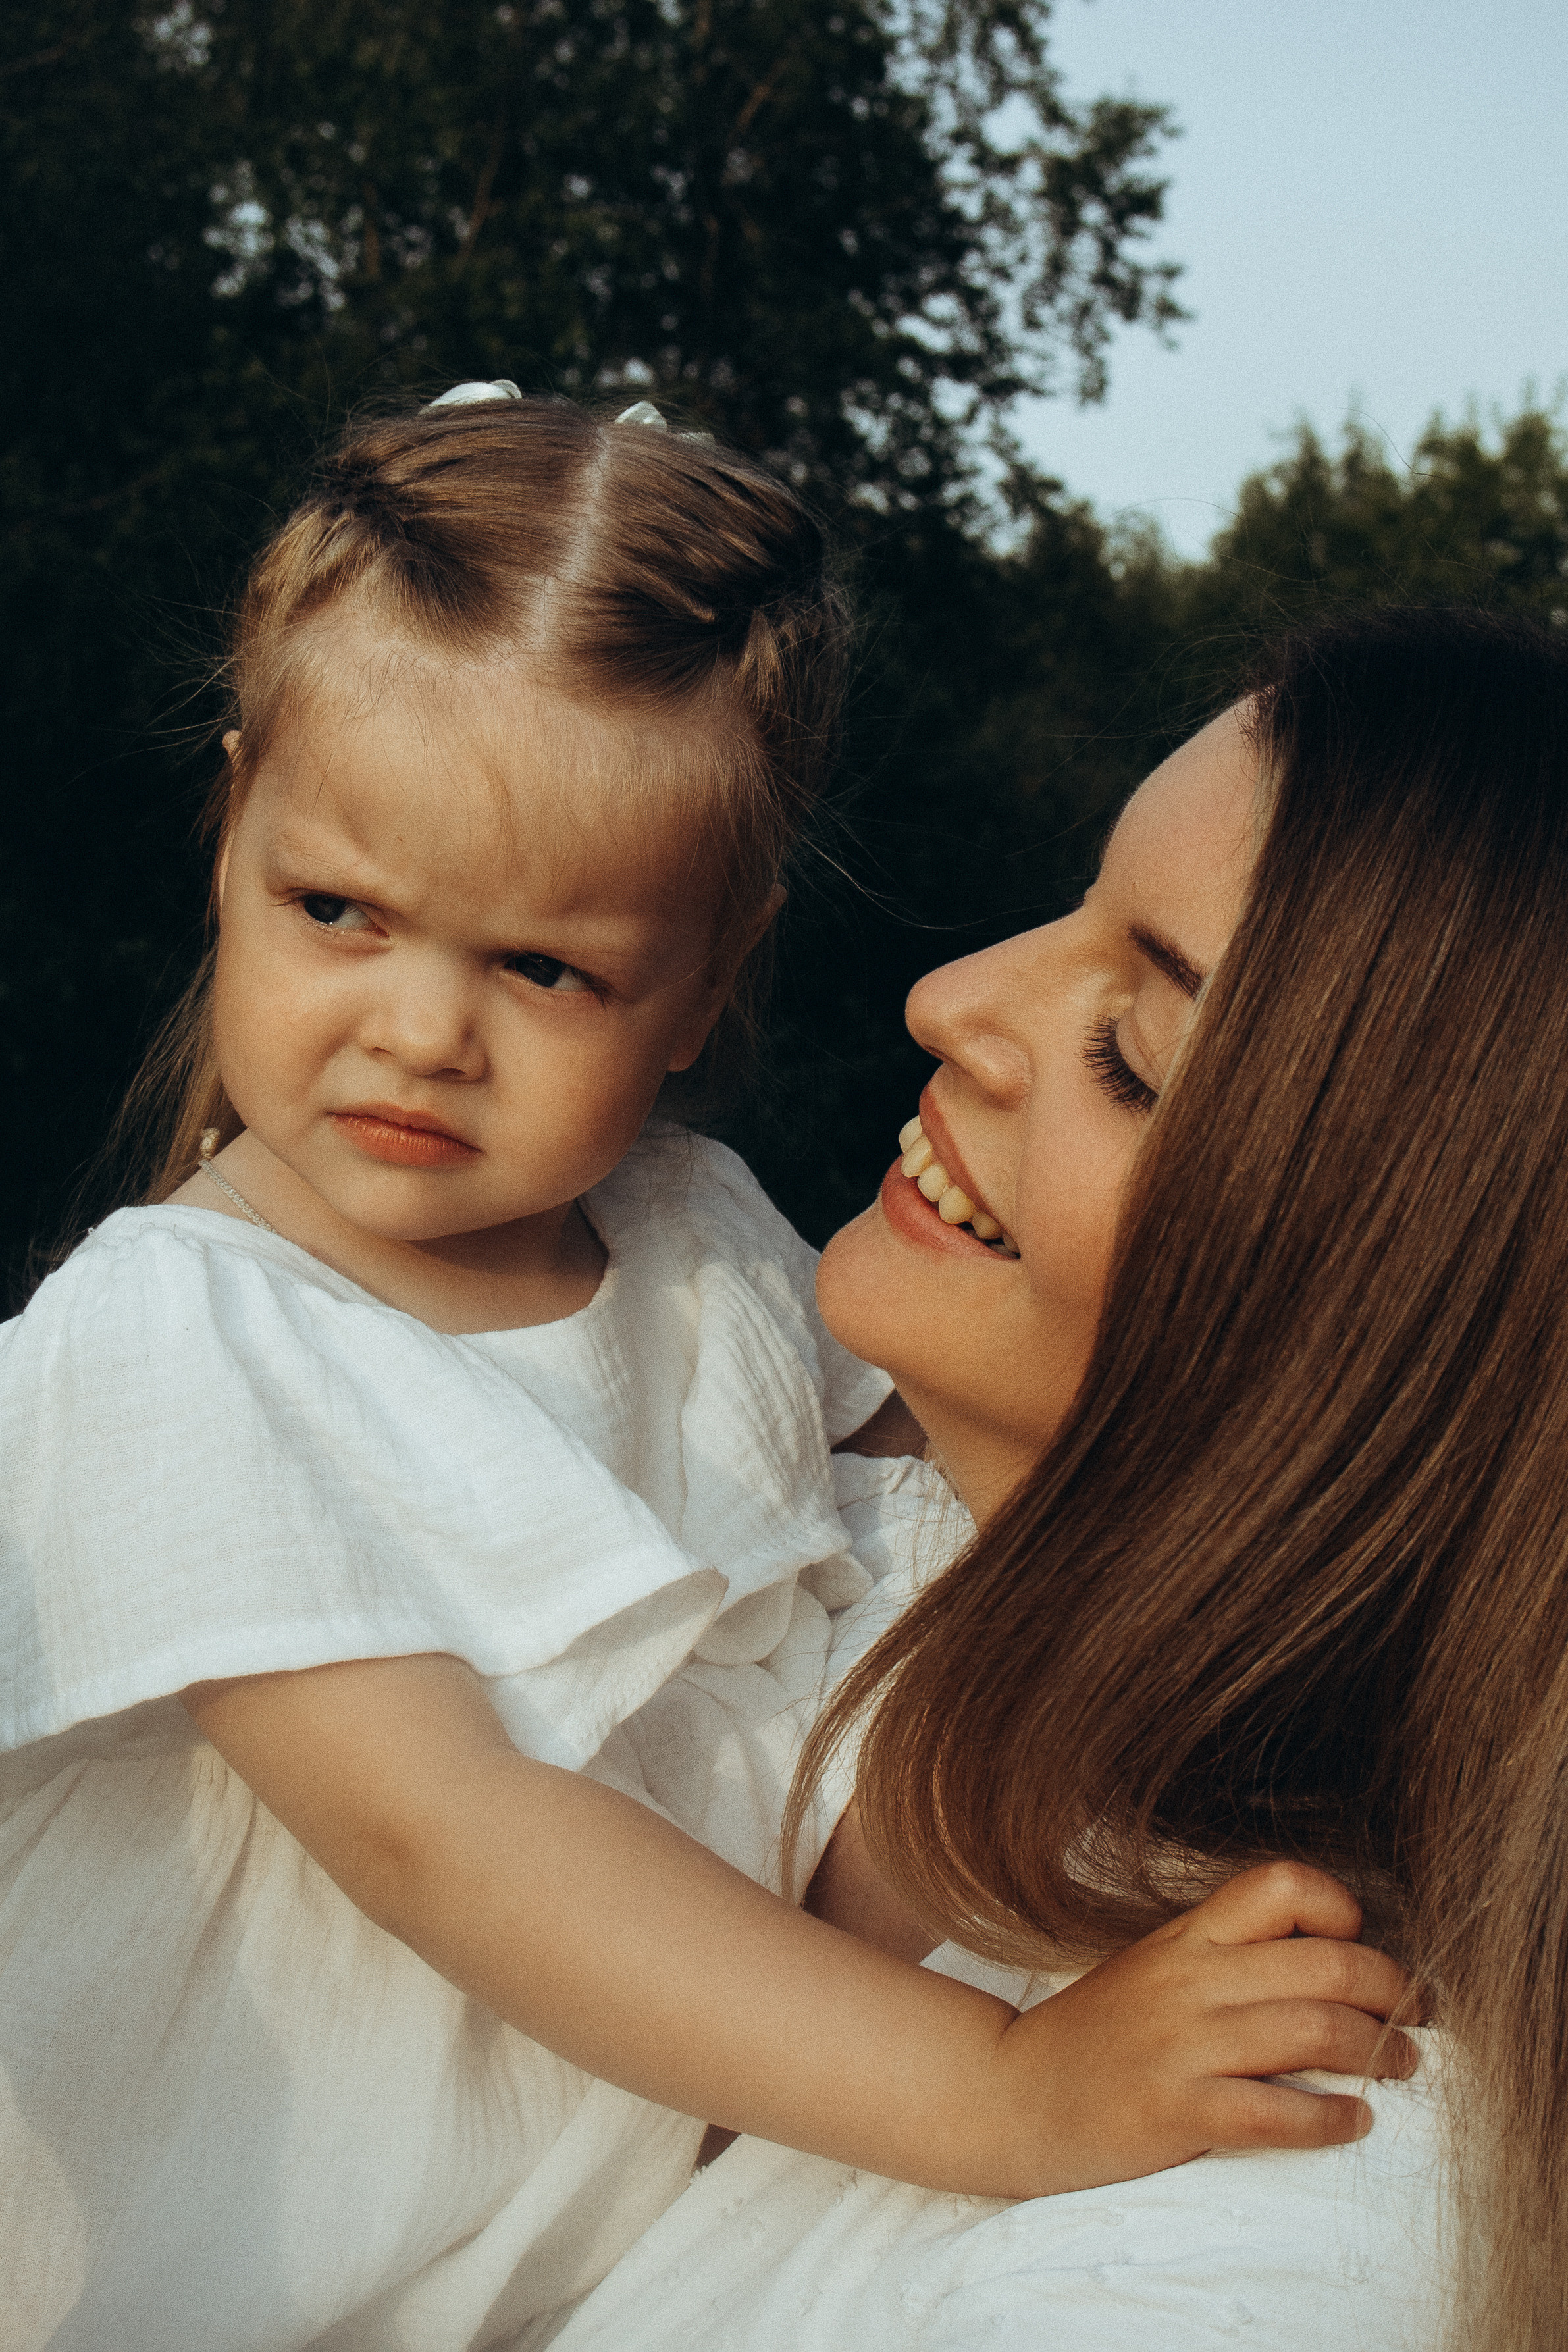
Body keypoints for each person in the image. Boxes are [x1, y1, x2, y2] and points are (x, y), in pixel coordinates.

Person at [0, 392, 1407, 2352]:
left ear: (710, 975)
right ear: (231, 821)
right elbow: (448, 1837)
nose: (420, 1030)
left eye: (546, 970)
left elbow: (840, 1711)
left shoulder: (709, 1249)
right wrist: (1007, 2091)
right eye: (339, 911)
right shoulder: (173, 1333)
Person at [547, 606, 1568, 2352]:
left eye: (1131, 1057)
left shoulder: (1291, 2203)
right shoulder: (714, 1427)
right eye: (1074, 912)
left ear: (1381, 1340)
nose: (949, 999)